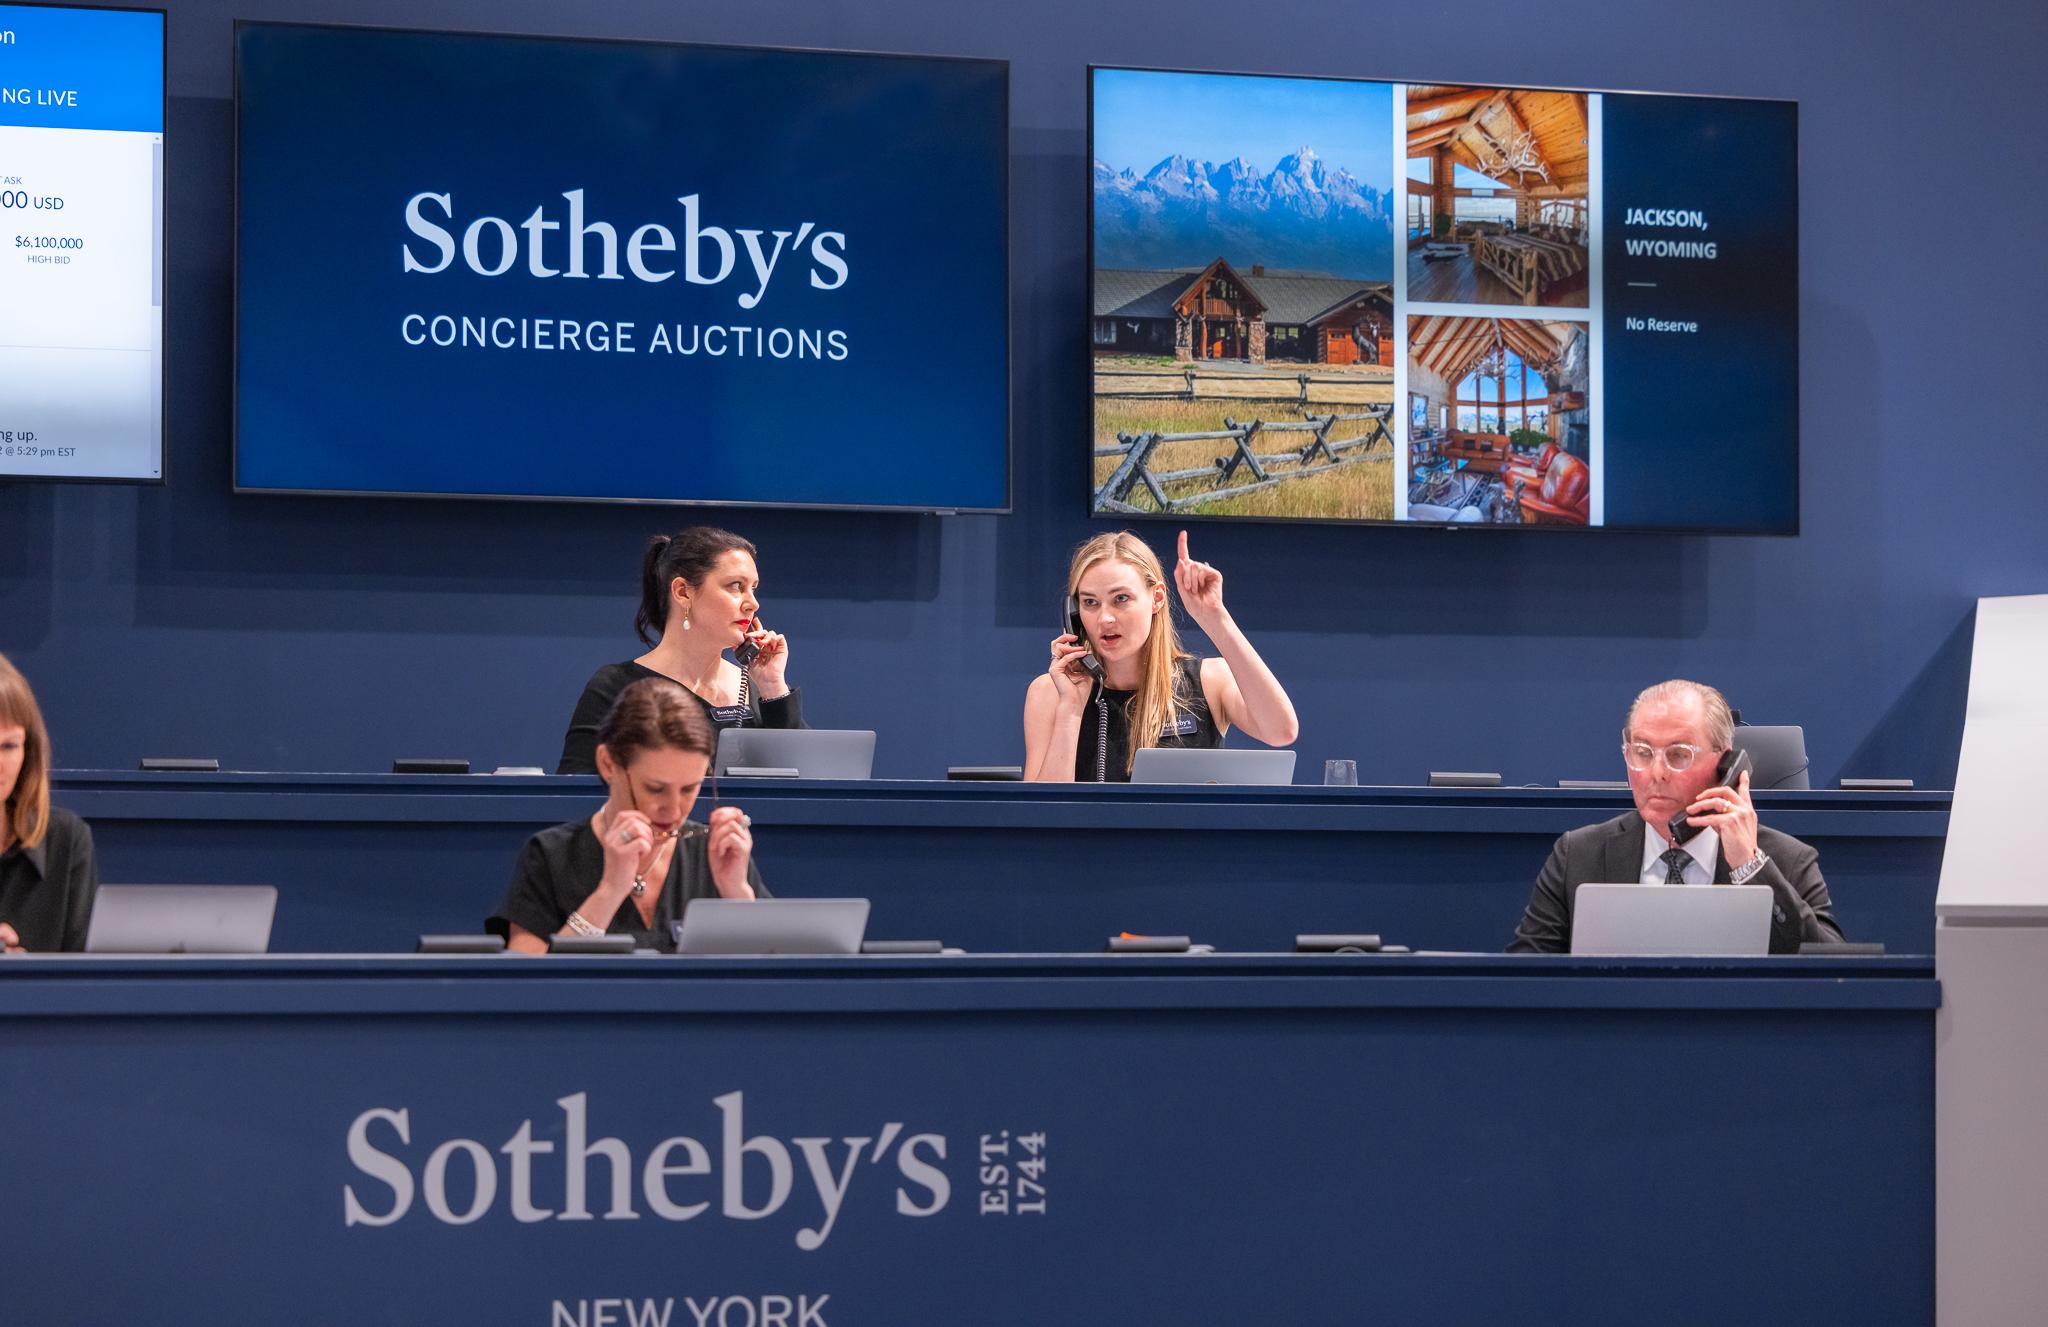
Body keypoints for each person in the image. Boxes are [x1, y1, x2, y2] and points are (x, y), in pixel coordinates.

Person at [1509, 679, 1842, 954]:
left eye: (1679, 754)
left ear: (1725, 764)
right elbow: (1523, 982)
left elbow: (1831, 977)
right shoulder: (1579, 856)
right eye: (1642, 752)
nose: (1656, 772)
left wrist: (1749, 867)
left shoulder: (1787, 860)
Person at [497, 677, 768, 953]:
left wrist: (737, 893)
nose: (674, 809)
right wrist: (610, 891)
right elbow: (526, 976)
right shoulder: (551, 855)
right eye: (655, 789)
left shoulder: (720, 854)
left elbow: (774, 974)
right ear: (608, 764)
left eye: (689, 789)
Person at [1023, 529, 1299, 782]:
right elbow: (1038, 813)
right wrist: (1070, 711)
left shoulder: (1210, 680)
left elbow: (1280, 731)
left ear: (1156, 598)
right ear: (1074, 613)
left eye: (1121, 599)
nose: (1105, 618)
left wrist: (1216, 618)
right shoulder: (1051, 693)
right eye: (1090, 602)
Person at [558, 527, 800, 775]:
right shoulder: (615, 687)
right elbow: (575, 790)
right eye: (736, 586)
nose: (753, 603)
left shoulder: (758, 687)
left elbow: (807, 783)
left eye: (753, 588)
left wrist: (773, 687)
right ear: (683, 592)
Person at [0, 653, 98, 953]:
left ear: (28, 752)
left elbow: (82, 976)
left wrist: (28, 974)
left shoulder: (66, 840)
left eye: (8, 746)